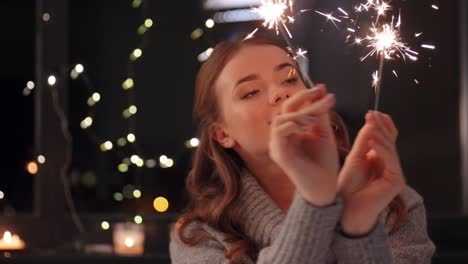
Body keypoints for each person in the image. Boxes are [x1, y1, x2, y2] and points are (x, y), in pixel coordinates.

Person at [169, 33, 435, 264]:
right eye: (251, 92)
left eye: (289, 78)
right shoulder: (197, 237)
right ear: (222, 134)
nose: (280, 94)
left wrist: (359, 227)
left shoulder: (391, 202)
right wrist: (314, 203)